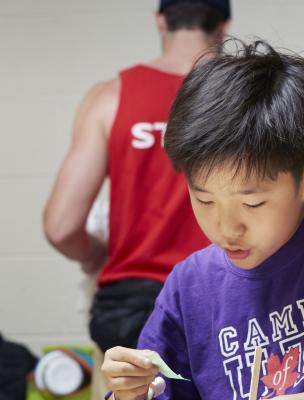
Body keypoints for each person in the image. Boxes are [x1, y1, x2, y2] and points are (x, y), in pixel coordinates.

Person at [100, 40, 304, 400]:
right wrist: (130, 392)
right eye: (204, 199)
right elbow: (157, 391)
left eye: (253, 203)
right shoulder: (189, 285)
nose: (227, 228)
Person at [43, 0, 231, 355]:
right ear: (224, 24)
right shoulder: (248, 97)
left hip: (132, 308)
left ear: (161, 21)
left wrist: (94, 255)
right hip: (224, 297)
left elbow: (60, 227)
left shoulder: (110, 97)